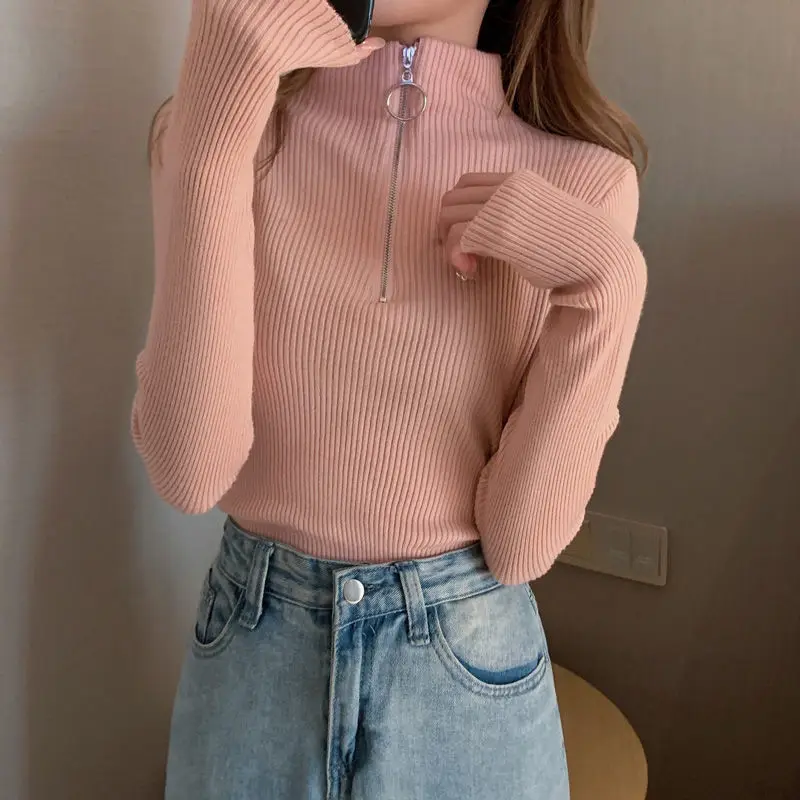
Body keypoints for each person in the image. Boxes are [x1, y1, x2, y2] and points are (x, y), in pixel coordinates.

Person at [131, 0, 647, 797]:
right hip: (253, 660)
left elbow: (520, 547)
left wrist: (611, 287)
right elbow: (189, 471)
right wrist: (210, 131)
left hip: (466, 674)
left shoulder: (585, 181)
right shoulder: (219, 134)